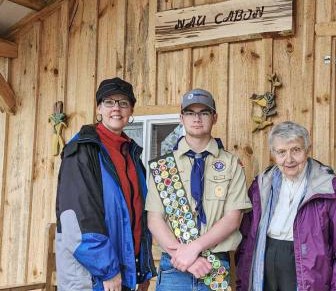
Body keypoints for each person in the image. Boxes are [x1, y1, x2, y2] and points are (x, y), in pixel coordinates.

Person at [236, 121, 336, 291]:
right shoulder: (260, 186)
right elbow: (246, 241)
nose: (289, 159)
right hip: (264, 265)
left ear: (307, 150)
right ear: (273, 154)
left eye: (296, 150)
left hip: (305, 269)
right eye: (281, 152)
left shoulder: (330, 187)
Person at [146, 88, 252, 291]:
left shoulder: (231, 164)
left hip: (214, 267)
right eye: (190, 113)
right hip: (174, 268)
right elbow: (154, 219)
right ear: (181, 118)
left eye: (204, 112)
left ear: (214, 117)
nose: (197, 118)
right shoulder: (163, 166)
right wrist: (188, 259)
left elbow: (233, 219)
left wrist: (194, 249)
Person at [56, 77, 156, 291]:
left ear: (131, 110)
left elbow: (139, 214)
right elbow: (79, 218)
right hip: (92, 276)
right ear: (99, 107)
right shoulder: (82, 150)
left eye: (123, 103)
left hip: (124, 273)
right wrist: (107, 270)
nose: (116, 109)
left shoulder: (131, 154)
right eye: (109, 102)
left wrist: (142, 269)